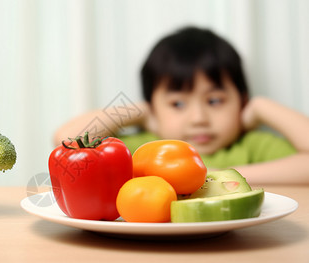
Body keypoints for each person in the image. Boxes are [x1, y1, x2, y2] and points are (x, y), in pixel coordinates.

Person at [54, 26, 309, 184]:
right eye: (177, 104)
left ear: (240, 103)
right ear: (155, 109)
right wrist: (139, 112)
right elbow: (66, 141)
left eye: (214, 101)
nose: (199, 118)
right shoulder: (144, 148)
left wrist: (261, 107)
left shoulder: (252, 146)